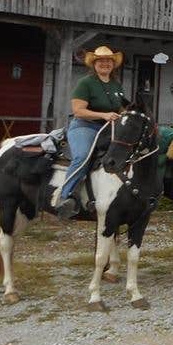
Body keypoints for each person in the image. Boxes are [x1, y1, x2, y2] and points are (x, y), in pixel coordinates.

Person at [56, 46, 128, 219]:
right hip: (84, 126)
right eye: (101, 60)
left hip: (107, 129)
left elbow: (120, 107)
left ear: (113, 64)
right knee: (83, 156)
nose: (105, 63)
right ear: (94, 64)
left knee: (124, 154)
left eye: (109, 61)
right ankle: (66, 196)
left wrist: (124, 114)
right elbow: (78, 110)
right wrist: (103, 115)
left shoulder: (116, 85)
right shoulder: (86, 83)